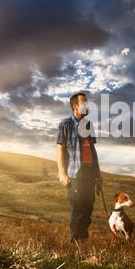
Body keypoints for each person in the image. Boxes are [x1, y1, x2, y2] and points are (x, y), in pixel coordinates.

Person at [56, 92, 102, 241]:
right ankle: (75, 245)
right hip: (75, 174)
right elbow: (59, 148)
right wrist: (62, 173)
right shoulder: (65, 124)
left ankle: (83, 242)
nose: (87, 104)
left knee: (88, 208)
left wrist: (98, 174)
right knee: (78, 209)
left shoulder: (89, 125)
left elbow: (92, 151)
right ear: (75, 106)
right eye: (84, 102)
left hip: (90, 173)